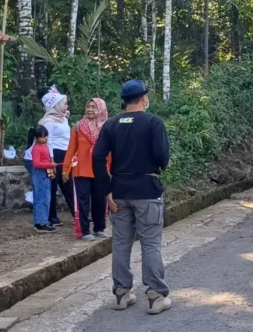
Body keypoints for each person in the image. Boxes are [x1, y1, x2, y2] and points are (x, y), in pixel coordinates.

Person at [93, 79, 173, 315]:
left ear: (125, 100)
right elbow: (162, 156)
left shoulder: (111, 124)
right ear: (144, 98)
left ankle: (121, 293)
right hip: (147, 189)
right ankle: (156, 295)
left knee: (120, 243)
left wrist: (106, 190)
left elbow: (97, 157)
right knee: (150, 243)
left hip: (118, 192)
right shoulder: (153, 122)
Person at [65, 97, 110, 240]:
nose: (90, 109)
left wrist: (113, 168)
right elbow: (71, 148)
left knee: (100, 200)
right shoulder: (78, 126)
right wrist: (66, 169)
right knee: (82, 201)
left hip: (100, 170)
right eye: (88, 106)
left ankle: (99, 228)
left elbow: (111, 150)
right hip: (81, 169)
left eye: (94, 107)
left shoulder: (107, 128)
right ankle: (84, 231)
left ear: (101, 109)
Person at [38, 88, 75, 226]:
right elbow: (49, 142)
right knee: (52, 186)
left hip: (66, 154)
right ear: (56, 105)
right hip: (54, 154)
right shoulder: (48, 121)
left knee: (69, 185)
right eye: (64, 103)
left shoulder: (63, 119)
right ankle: (51, 216)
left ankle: (76, 213)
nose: (66, 106)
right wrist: (51, 160)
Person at [26, 125, 57, 232]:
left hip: (45, 173)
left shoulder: (44, 146)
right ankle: (40, 222)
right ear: (36, 138)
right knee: (41, 198)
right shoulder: (36, 148)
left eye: (46, 136)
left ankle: (43, 220)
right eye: (43, 137)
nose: (46, 138)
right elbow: (36, 163)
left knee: (46, 197)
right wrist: (50, 164)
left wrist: (51, 166)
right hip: (40, 174)